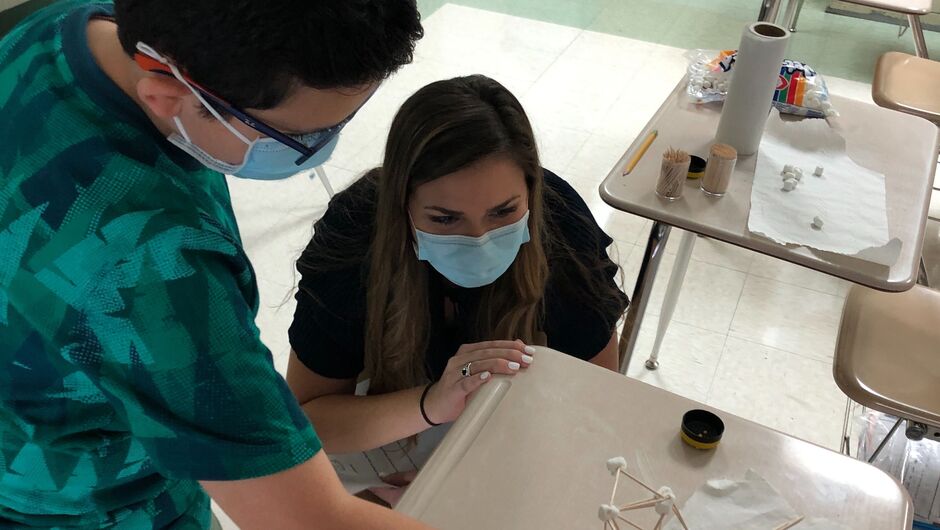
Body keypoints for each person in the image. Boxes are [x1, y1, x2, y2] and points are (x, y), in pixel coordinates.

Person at [0, 0, 434, 528]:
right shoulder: (150, 267)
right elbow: (313, 520)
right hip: (94, 502)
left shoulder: (75, 29)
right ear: (165, 95)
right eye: (298, 140)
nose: (321, 150)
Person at [287, 75, 630, 502]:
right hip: (398, 432)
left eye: (504, 211)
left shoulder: (563, 228)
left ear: (531, 193)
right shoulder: (356, 236)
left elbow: (597, 397)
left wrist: (489, 473)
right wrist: (431, 404)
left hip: (517, 436)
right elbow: (309, 419)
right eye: (444, 219)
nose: (479, 240)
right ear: (401, 206)